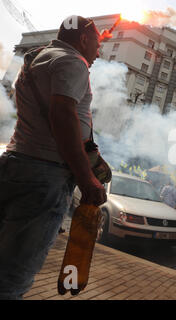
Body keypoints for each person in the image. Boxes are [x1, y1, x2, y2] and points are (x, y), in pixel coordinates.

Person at [0, 16, 107, 300]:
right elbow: (62, 115)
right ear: (84, 40)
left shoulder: (38, 59)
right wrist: (86, 179)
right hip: (44, 178)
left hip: (15, 162)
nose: (100, 51)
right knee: (13, 275)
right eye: (97, 43)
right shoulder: (73, 62)